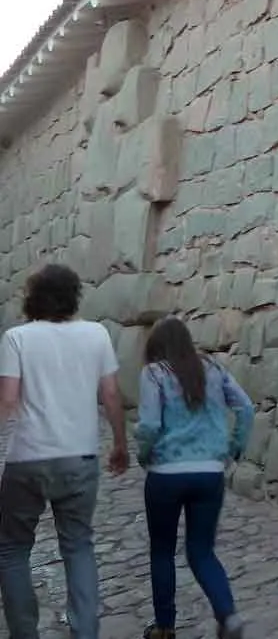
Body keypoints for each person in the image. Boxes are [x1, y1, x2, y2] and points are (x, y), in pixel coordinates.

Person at [0, 263, 129, 639]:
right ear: (74, 297)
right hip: (80, 457)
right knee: (78, 546)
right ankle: (85, 631)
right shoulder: (97, 334)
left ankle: (25, 633)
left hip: (26, 459)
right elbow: (109, 394)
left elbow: (8, 401)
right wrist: (120, 443)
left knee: (11, 549)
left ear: (32, 298)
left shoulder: (16, 338)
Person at [135, 317, 254, 639]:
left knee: (162, 550)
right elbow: (245, 407)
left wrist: (143, 455)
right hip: (209, 473)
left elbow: (147, 426)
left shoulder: (154, 374)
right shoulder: (213, 369)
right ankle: (228, 617)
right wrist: (233, 449)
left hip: (165, 474)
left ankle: (164, 627)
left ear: (156, 347)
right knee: (202, 551)